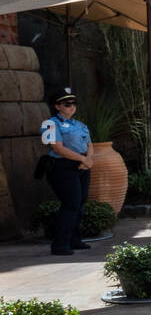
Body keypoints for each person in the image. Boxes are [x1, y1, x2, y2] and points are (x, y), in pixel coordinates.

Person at [40, 87, 93, 256]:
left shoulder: (80, 125)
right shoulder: (49, 124)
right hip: (62, 167)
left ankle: (74, 240)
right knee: (70, 204)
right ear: (57, 106)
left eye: (74, 103)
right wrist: (82, 159)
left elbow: (90, 144)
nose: (72, 107)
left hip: (82, 167)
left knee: (79, 204)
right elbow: (58, 148)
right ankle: (60, 244)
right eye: (67, 104)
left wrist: (88, 161)